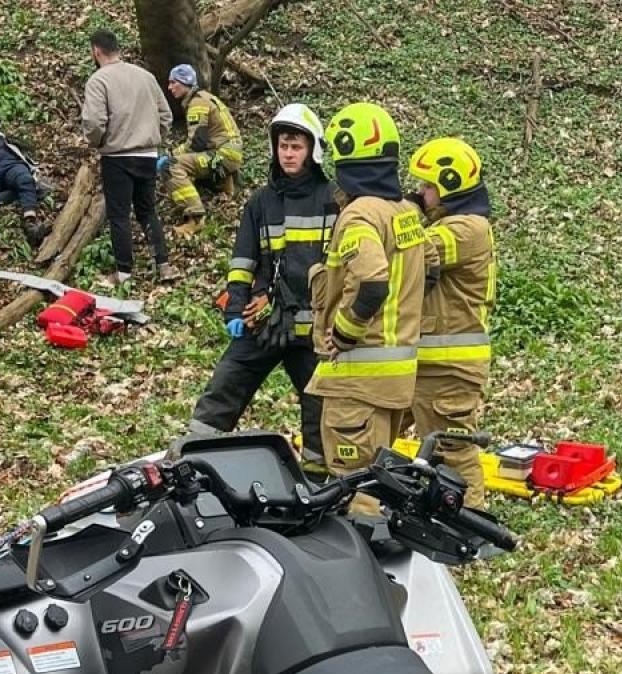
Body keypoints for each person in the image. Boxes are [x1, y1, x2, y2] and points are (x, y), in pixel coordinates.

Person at [186, 104, 336, 472]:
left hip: (312, 333)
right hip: (264, 320)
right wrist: (236, 309)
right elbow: (243, 262)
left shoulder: (333, 199)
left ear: (312, 150)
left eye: (296, 146)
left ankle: (320, 484)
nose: (288, 153)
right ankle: (189, 462)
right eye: (283, 146)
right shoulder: (261, 202)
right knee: (224, 388)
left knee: (320, 413)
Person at [307, 102, 426, 497]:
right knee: (381, 480)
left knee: (356, 487)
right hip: (393, 381)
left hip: (357, 383)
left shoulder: (360, 215)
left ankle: (363, 555)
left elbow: (373, 282)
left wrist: (342, 334)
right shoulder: (403, 211)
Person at [407, 137, 496, 507]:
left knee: (453, 449)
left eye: (428, 186)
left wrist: (397, 213)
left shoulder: (466, 229)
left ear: (449, 187)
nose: (420, 192)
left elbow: (415, 249)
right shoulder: (455, 222)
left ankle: (472, 524)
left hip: (450, 367)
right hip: (431, 363)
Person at [80, 29, 174, 286]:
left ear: (96, 51)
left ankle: (123, 272)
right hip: (147, 154)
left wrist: (98, 142)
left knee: (119, 214)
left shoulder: (99, 80)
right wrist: (153, 137)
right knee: (147, 211)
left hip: (117, 156)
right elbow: (165, 115)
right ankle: (163, 265)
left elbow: (94, 122)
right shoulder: (145, 76)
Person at [162, 65, 241, 235]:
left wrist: (171, 155)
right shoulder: (205, 97)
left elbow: (196, 143)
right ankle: (225, 185)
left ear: (186, 83)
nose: (169, 88)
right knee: (192, 161)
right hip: (229, 153)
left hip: (223, 155)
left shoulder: (197, 103)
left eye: (173, 82)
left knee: (170, 166)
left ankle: (195, 216)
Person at [0, 119, 48, 248]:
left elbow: (25, 144)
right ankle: (18, 194)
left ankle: (30, 222)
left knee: (24, 179)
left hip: (10, 165)